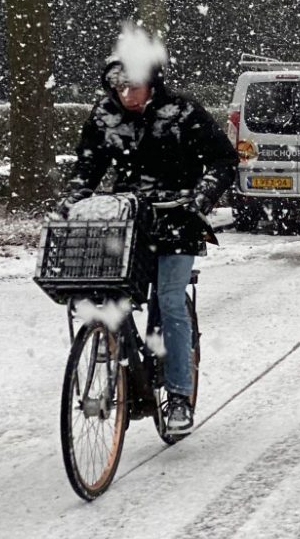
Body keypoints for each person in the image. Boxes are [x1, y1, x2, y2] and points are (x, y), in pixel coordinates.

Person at [60, 32, 237, 434]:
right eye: (118, 87)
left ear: (153, 81)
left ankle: (178, 396)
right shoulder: (105, 116)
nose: (126, 94)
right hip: (127, 223)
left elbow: (223, 159)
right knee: (108, 295)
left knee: (171, 302)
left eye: (133, 86)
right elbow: (86, 169)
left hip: (177, 222)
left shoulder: (182, 111)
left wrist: (200, 199)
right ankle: (122, 358)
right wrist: (73, 202)